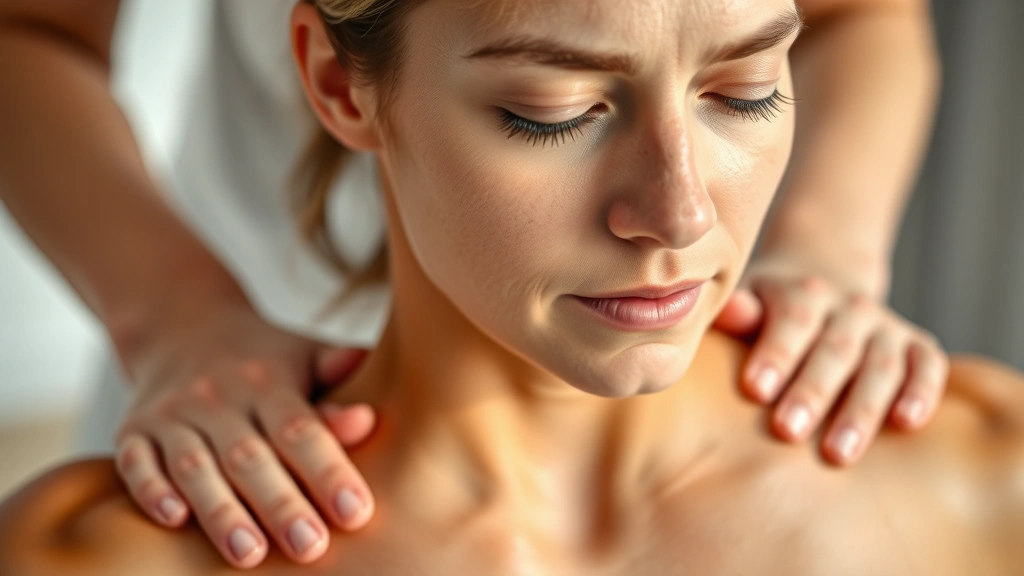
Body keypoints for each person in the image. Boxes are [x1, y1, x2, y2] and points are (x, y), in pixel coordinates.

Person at [5, 0, 1022, 573]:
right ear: (331, 82)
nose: (681, 218)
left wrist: (829, 245)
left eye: (744, 90)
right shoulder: (106, 557)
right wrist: (175, 311)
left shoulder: (987, 481)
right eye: (551, 112)